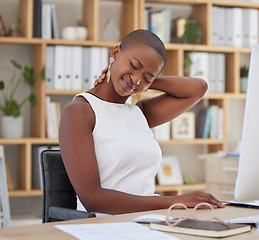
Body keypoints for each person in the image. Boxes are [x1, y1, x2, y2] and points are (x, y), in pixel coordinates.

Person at [59, 29, 225, 215]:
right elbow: (93, 199)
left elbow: (198, 88)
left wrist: (143, 81)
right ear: (115, 53)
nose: (137, 79)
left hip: (146, 222)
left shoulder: (139, 113)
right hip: (102, 226)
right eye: (134, 65)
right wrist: (172, 201)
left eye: (147, 77)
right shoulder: (80, 111)